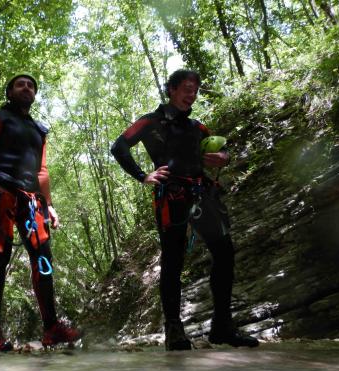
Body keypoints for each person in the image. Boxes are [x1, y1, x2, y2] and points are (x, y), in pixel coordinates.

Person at [110, 69, 259, 350]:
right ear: (172, 90)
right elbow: (119, 146)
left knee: (225, 253)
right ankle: (174, 331)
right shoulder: (149, 121)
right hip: (172, 197)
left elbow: (222, 151)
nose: (192, 94)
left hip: (202, 194)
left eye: (195, 90)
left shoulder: (198, 127)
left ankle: (222, 328)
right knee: (172, 262)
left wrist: (223, 158)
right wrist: (143, 175)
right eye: (186, 89)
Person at [0, 73, 81, 351]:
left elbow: (42, 170)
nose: (27, 88)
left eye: (31, 86)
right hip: (1, 192)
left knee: (43, 258)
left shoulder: (40, 129)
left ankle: (51, 328)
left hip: (33, 200)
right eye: (21, 84)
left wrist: (50, 203)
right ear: (10, 92)